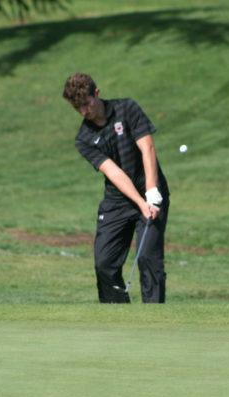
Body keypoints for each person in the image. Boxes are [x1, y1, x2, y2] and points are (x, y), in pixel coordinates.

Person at [62, 73, 170, 303]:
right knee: (104, 263)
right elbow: (114, 172)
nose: (84, 112)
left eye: (87, 104)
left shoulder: (127, 108)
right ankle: (118, 318)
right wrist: (140, 203)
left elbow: (147, 148)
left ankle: (156, 320)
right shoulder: (84, 139)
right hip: (118, 199)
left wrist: (151, 192)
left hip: (150, 188)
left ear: (97, 94)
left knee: (148, 258)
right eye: (77, 108)